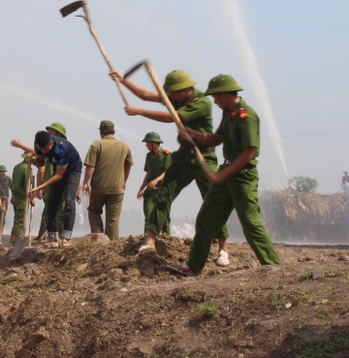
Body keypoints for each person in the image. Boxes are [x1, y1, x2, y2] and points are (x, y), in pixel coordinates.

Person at [110, 69, 229, 263]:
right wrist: (123, 80)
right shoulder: (177, 97)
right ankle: (150, 241)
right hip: (183, 157)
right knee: (162, 194)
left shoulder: (201, 102)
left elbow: (170, 117)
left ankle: (223, 248)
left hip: (203, 158)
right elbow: (147, 95)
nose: (170, 96)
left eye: (173, 92)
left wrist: (138, 111)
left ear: (184, 90)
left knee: (212, 201)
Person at [172, 74, 280, 276]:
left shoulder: (246, 116)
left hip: (242, 177)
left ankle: (273, 265)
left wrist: (221, 176)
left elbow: (249, 153)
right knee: (205, 219)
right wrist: (194, 134)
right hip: (226, 173)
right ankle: (193, 267)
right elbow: (216, 139)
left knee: (249, 221)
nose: (214, 102)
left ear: (224, 95)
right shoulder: (229, 114)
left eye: (216, 98)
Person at [11, 130, 83, 248]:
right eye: (41, 149)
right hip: (58, 169)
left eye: (46, 149)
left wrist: (39, 187)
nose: (44, 151)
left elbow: (59, 176)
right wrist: (32, 160)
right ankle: (52, 239)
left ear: (51, 143)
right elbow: (41, 163)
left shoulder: (63, 149)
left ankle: (65, 238)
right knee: (52, 203)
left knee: (69, 202)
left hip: (72, 171)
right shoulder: (38, 145)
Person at [82, 120, 134, 240]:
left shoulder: (96, 145)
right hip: (117, 188)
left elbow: (90, 166)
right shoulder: (124, 146)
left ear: (101, 132)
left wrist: (85, 183)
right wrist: (123, 182)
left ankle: (99, 240)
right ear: (114, 132)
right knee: (113, 219)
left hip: (98, 187)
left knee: (94, 211)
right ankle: (111, 245)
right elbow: (128, 167)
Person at [136, 132, 172, 245]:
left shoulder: (167, 155)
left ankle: (167, 241)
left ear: (153, 143)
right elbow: (148, 174)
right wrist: (141, 189)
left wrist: (156, 180)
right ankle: (148, 241)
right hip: (150, 192)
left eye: (147, 143)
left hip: (163, 191)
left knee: (164, 217)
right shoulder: (149, 156)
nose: (146, 145)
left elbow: (167, 172)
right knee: (149, 216)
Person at [10, 153, 34, 245]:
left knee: (16, 219)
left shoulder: (17, 167)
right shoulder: (27, 169)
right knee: (19, 220)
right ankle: (15, 241)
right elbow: (27, 186)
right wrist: (31, 198)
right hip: (22, 197)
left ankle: (13, 240)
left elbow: (14, 183)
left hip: (16, 196)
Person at [0, 165, 12, 236]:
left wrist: (13, 197)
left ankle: (1, 231)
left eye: (3, 172)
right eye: (0, 172)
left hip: (5, 199)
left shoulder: (8, 179)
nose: (1, 173)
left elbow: (12, 188)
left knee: (3, 214)